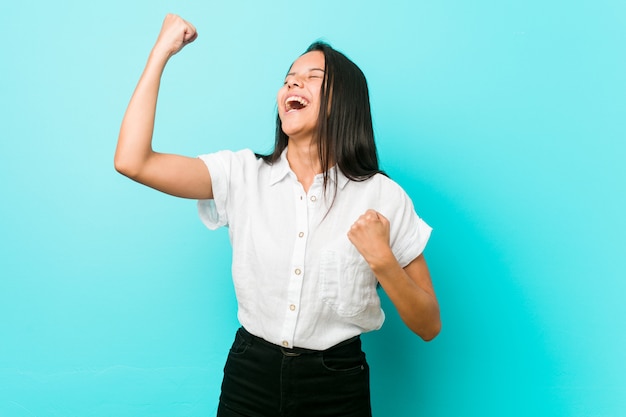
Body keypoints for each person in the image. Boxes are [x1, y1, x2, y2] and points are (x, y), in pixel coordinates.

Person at [115, 13, 441, 417]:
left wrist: (382, 260)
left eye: (312, 77)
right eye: (289, 77)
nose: (293, 82)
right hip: (250, 376)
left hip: (337, 383)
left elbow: (428, 325)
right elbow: (133, 161)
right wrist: (161, 52)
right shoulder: (241, 174)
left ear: (344, 100)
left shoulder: (383, 196)